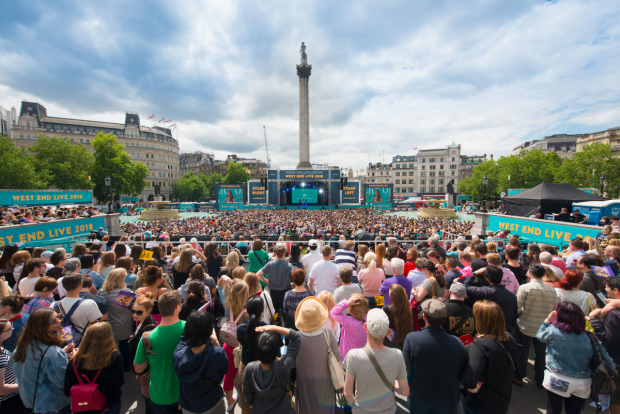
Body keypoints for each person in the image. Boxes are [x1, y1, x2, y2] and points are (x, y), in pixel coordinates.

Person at [538, 302, 616, 414]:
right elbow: (608, 360)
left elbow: (539, 335)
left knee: (553, 409)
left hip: (558, 379)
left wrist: (547, 320)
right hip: (582, 383)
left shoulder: (553, 332)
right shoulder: (589, 336)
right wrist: (612, 374)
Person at [402, 299, 468, 413]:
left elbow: (406, 370)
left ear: (424, 317)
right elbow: (462, 372)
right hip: (447, 402)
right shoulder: (457, 343)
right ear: (445, 318)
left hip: (419, 400)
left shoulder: (412, 339)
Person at [343, 308, 409, 414]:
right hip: (389, 410)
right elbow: (405, 391)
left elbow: (347, 393)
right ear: (387, 332)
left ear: (365, 327)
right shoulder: (397, 354)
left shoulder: (353, 355)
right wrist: (394, 383)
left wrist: (354, 406)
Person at [12, 308, 75, 414]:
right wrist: (72, 359)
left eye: (58, 316)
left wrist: (62, 354)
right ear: (42, 326)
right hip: (53, 405)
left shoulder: (21, 347)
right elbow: (64, 382)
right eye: (53, 320)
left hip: (30, 402)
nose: (59, 321)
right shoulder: (52, 353)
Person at [461, 300, 518, 414]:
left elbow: (469, 381)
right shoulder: (509, 339)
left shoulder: (481, 345)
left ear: (481, 321)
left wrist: (475, 388)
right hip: (501, 399)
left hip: (479, 404)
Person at [134, 291, 186, 414]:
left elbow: (138, 368)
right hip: (186, 394)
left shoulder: (147, 338)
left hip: (159, 396)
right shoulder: (189, 328)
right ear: (177, 307)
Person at [63, 322, 125, 414]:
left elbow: (67, 390)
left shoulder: (74, 361)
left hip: (82, 407)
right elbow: (118, 383)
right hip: (107, 405)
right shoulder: (114, 356)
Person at [294, 296, 341, 414]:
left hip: (304, 385)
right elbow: (338, 357)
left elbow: (292, 364)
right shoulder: (328, 334)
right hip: (324, 383)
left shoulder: (296, 338)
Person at [174, 311, 228, 414]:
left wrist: (193, 323)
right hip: (212, 403)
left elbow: (183, 338)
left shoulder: (179, 354)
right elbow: (224, 369)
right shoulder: (217, 353)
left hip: (188, 405)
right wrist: (216, 343)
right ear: (208, 332)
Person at [513, 264, 558, 388]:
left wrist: (517, 316)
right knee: (541, 352)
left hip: (525, 324)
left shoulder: (525, 288)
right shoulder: (552, 290)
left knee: (522, 350)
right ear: (544, 274)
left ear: (530, 273)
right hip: (544, 326)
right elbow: (554, 307)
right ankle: (540, 378)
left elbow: (518, 306)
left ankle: (519, 376)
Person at [241, 324, 301, 414]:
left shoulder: (250, 368)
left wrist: (251, 405)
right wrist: (274, 327)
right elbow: (296, 337)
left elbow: (246, 391)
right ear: (276, 349)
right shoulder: (284, 365)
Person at [216, 278, 249, 410]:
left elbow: (219, 287)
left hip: (229, 344)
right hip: (244, 346)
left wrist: (224, 278)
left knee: (229, 376)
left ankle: (229, 402)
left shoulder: (227, 304)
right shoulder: (248, 308)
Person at [98, 269, 135, 373]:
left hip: (109, 323)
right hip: (123, 324)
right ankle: (125, 368)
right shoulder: (125, 292)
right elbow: (123, 308)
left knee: (110, 348)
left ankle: (110, 368)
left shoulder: (102, 292)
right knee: (124, 348)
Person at [236, 296, 268, 414]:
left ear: (247, 312)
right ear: (262, 311)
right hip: (264, 372)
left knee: (246, 406)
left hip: (244, 370)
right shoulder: (268, 330)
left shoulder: (240, 329)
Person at [464, 266, 519, 333]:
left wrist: (475, 274)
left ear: (487, 279)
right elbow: (514, 315)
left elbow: (466, 286)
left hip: (489, 330)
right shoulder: (512, 295)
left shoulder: (486, 292)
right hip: (506, 330)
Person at [52, 272, 103, 344]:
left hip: (63, 344)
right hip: (84, 344)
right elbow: (95, 327)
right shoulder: (89, 303)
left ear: (63, 286)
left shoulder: (53, 305)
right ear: (80, 284)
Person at [128, 292, 157, 414]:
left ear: (149, 310)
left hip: (146, 370)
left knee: (149, 399)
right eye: (133, 311)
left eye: (139, 312)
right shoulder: (142, 321)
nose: (135, 315)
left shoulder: (149, 326)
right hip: (142, 369)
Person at [257, 245, 294, 314]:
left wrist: (266, 281)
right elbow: (295, 276)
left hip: (273, 292)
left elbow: (258, 275)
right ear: (285, 253)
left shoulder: (270, 264)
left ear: (275, 253)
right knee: (285, 314)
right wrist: (292, 284)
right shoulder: (289, 265)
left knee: (274, 314)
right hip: (285, 293)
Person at [331, 294, 369, 361]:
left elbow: (333, 313)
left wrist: (347, 303)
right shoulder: (369, 318)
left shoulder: (351, 323)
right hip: (364, 356)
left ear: (351, 311)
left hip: (348, 357)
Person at [0, 318, 23, 413]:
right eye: (9, 329)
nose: (13, 329)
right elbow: (1, 389)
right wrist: (23, 385)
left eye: (12, 326)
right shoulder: (1, 358)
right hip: (9, 402)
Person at [381, 284, 413, 350]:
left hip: (390, 343)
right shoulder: (408, 309)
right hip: (404, 342)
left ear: (391, 296)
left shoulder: (386, 309)